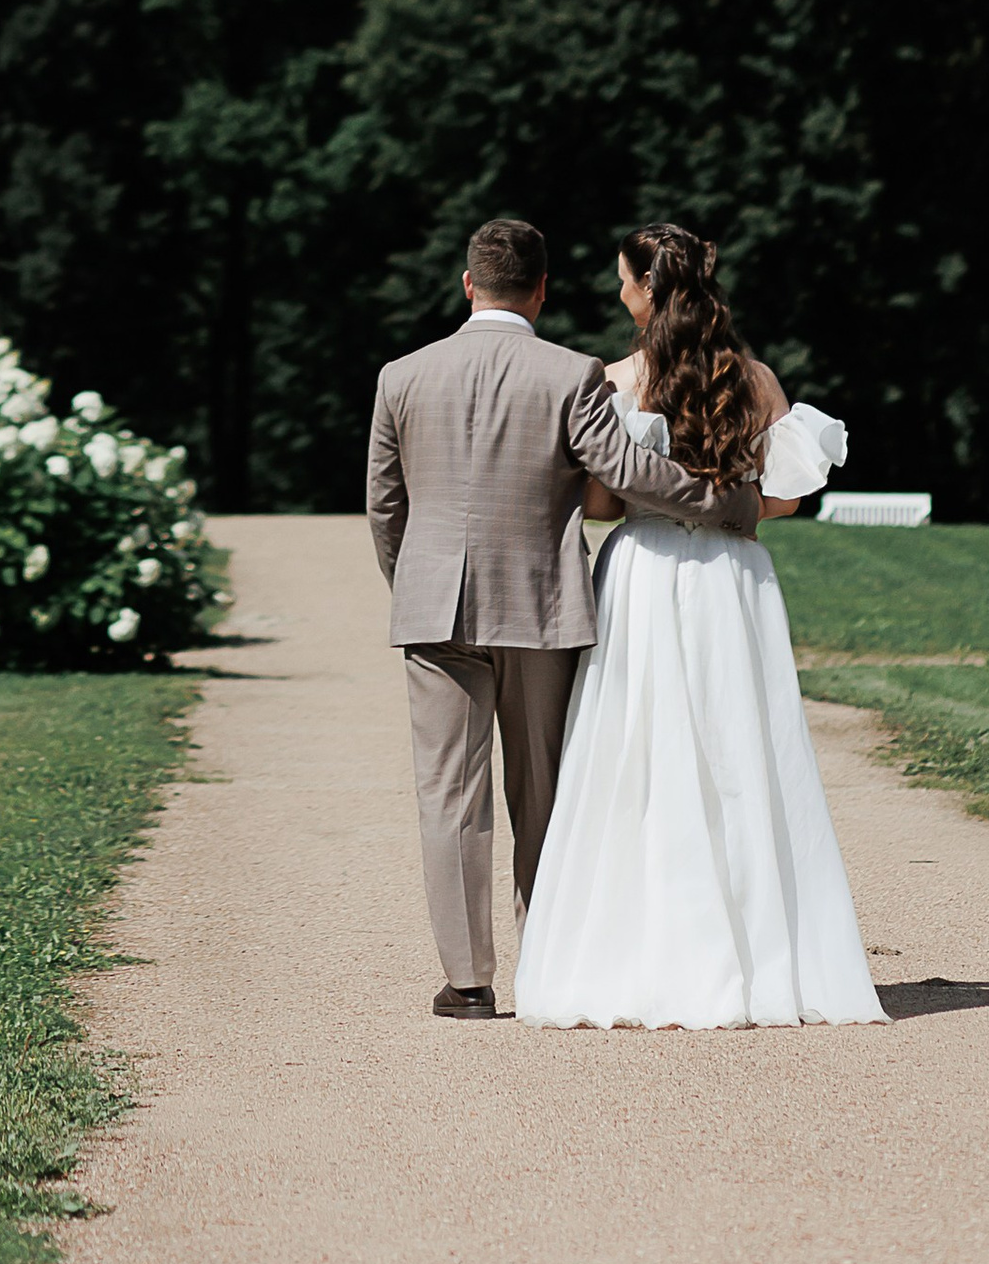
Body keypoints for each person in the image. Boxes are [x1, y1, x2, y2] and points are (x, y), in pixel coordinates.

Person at [365, 214, 743, 1020]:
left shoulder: (401, 375)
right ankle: (545, 963)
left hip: (434, 612)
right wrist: (723, 500)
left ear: (468, 284)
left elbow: (384, 507)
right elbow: (628, 473)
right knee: (543, 792)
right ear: (541, 290)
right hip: (539, 607)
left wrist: (417, 585)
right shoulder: (571, 374)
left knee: (447, 795)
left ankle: (467, 982)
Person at [511, 221, 884, 1029]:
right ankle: (760, 958)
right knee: (740, 751)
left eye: (622, 280)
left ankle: (642, 953)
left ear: (647, 290)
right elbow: (783, 499)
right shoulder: (753, 379)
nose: (617, 292)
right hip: (736, 578)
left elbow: (605, 502)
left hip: (645, 571)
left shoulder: (616, 380)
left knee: (638, 754)